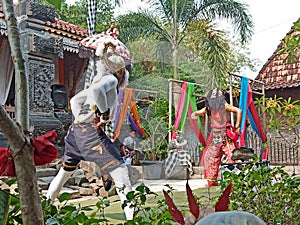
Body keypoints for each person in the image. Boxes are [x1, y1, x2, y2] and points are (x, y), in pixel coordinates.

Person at [46, 49, 134, 220]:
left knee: (65, 172)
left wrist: (82, 117)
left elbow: (73, 101)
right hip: (89, 135)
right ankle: (132, 219)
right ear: (121, 70)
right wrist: (103, 113)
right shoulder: (111, 79)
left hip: (75, 133)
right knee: (121, 172)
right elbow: (96, 94)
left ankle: (45, 205)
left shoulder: (97, 80)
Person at [191, 88, 242, 187]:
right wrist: (195, 113)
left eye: (217, 93)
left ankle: (235, 181)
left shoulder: (224, 105)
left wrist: (237, 127)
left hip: (225, 136)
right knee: (210, 158)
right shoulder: (209, 108)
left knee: (233, 157)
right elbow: (201, 112)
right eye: (213, 93)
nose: (214, 95)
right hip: (214, 137)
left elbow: (238, 111)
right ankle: (212, 182)